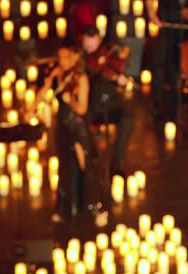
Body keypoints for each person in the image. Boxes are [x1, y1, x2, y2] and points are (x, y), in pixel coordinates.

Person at [37, 40, 109, 227]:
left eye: (66, 57)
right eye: (60, 57)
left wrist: (71, 101)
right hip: (62, 127)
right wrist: (47, 84)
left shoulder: (81, 78)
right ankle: (63, 210)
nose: (62, 61)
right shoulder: (58, 75)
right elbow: (42, 97)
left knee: (87, 167)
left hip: (77, 127)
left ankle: (96, 208)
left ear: (75, 56)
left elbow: (83, 109)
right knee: (64, 169)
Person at [80, 25, 135, 180]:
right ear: (83, 42)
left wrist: (119, 79)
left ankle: (117, 163)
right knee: (81, 121)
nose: (91, 50)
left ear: (100, 41)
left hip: (110, 104)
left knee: (127, 119)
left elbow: (116, 70)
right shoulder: (80, 59)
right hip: (91, 106)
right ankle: (91, 160)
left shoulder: (109, 54)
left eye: (94, 45)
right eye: (88, 46)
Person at [146, 0, 183, 121]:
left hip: (184, 20)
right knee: (159, 65)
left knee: (176, 67)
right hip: (164, 20)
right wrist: (151, 13)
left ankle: (177, 108)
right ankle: (159, 107)